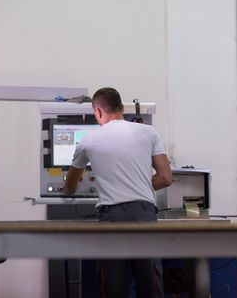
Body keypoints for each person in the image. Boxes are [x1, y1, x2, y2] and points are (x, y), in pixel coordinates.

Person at [63, 87, 173, 298]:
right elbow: (166, 178)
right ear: (121, 108)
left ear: (97, 112)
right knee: (149, 285)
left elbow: (69, 189)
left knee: (112, 288)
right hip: (144, 215)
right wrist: (138, 184)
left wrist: (78, 183)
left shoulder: (87, 140)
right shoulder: (149, 133)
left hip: (111, 219)